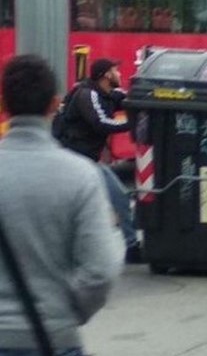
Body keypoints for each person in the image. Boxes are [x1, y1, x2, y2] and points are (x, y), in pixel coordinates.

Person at [0, 55, 123, 355]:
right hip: (54, 339)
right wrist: (63, 315)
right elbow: (101, 271)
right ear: (55, 105)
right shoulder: (80, 175)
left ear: (3, 106)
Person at [55, 58, 142, 263]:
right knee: (114, 197)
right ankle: (129, 246)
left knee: (115, 197)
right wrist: (132, 124)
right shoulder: (88, 94)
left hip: (87, 160)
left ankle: (129, 245)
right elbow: (101, 123)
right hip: (74, 160)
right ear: (106, 75)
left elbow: (131, 100)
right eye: (116, 71)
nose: (119, 74)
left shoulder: (110, 94)